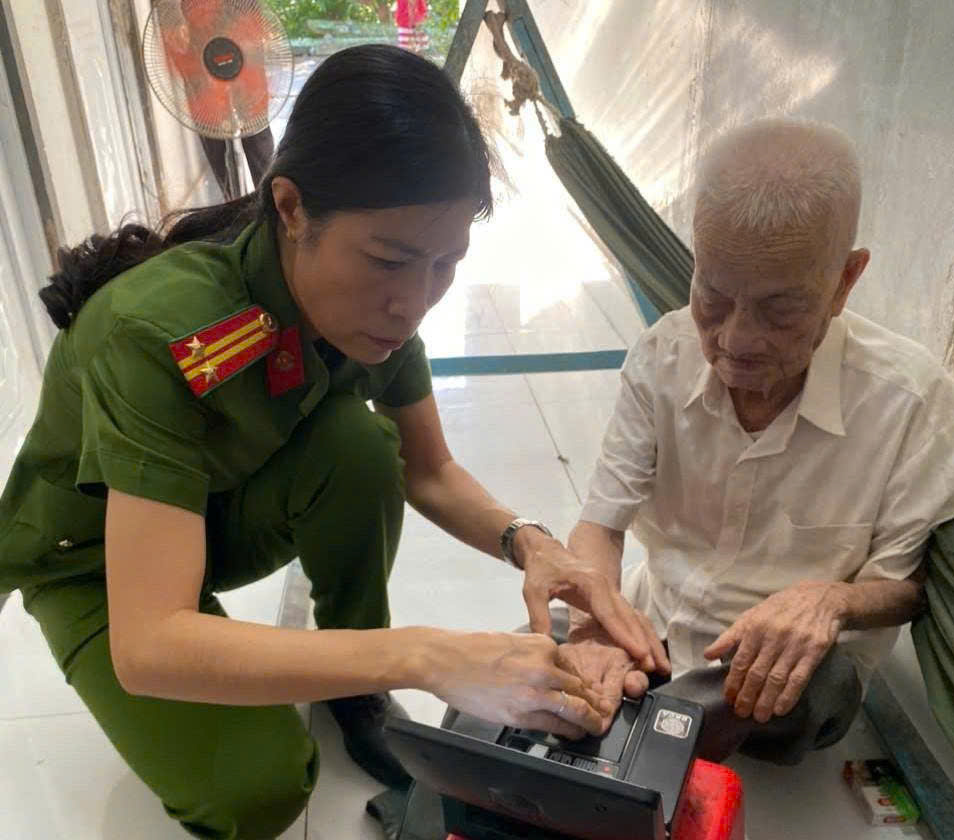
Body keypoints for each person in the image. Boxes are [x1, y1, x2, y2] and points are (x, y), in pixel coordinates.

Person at [0, 46, 664, 840]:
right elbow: (149, 644)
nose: (414, 302)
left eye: (445, 265)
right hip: (96, 565)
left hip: (209, 513)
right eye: (389, 260)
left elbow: (431, 470)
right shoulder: (158, 334)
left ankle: (354, 691)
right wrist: (424, 655)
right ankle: (362, 666)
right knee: (258, 788)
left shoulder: (372, 310)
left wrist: (533, 545)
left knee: (359, 443)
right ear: (289, 207)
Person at [561, 117, 954, 745]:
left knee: (772, 703)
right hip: (651, 617)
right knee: (521, 691)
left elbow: (903, 588)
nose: (737, 339)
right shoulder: (663, 355)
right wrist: (594, 627)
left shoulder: (913, 402)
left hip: (788, 665)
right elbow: (600, 527)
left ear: (845, 281)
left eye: (781, 309)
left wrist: (829, 601)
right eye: (713, 297)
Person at [157, 0, 275, 197]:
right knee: (214, 131)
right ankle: (232, 203)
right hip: (198, 29)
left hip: (241, 23)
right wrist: (172, 20)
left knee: (256, 129)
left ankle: (271, 203)